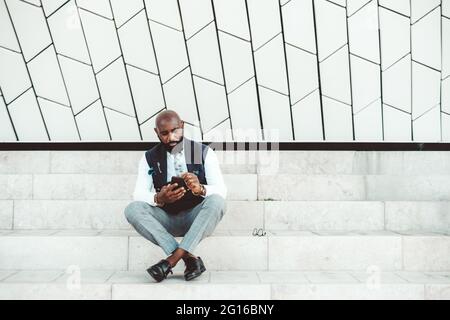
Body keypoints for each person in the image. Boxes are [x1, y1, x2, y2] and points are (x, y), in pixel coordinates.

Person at [124, 110, 227, 282]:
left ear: (183, 126)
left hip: (197, 219)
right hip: (166, 219)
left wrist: (201, 189)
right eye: (164, 133)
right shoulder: (149, 157)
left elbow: (221, 190)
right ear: (156, 132)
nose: (171, 138)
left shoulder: (203, 152)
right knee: (132, 209)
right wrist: (158, 198)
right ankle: (189, 259)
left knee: (217, 201)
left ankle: (170, 261)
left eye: (175, 131)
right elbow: (138, 193)